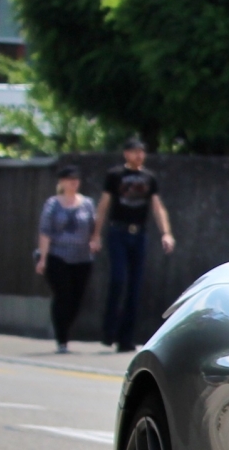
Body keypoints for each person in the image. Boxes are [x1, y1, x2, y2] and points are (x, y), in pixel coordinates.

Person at [100, 137, 174, 353]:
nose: (139, 155)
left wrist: (166, 233)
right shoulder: (115, 175)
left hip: (139, 234)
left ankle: (126, 338)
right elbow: (104, 205)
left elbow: (157, 207)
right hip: (118, 232)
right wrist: (96, 234)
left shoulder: (149, 177)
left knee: (135, 287)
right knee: (118, 279)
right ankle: (109, 331)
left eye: (142, 151)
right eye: (134, 151)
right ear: (126, 154)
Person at [34, 163, 99, 353]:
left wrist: (95, 240)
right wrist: (43, 258)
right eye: (70, 180)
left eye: (76, 180)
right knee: (63, 295)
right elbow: (45, 232)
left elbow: (93, 226)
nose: (73, 184)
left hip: (82, 258)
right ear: (62, 183)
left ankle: (66, 327)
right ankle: (62, 338)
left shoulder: (87, 203)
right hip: (58, 256)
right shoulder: (53, 204)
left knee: (76, 299)